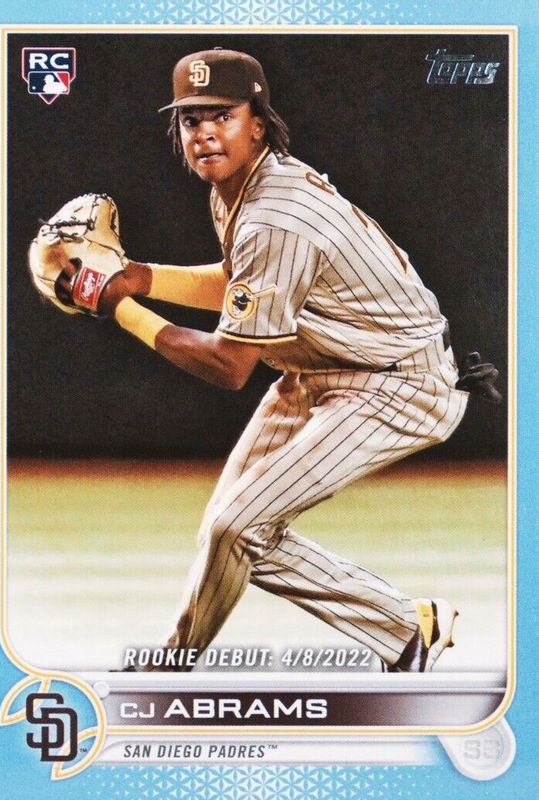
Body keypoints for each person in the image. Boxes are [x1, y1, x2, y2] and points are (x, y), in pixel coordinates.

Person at [57, 48, 496, 672]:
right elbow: (248, 286)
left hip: (398, 386)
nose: (205, 132)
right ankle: (176, 666)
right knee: (226, 527)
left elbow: (229, 364)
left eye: (223, 115)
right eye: (190, 119)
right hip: (323, 368)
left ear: (258, 124)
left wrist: (119, 308)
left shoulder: (275, 214)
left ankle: (407, 625)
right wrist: (139, 277)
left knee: (240, 527)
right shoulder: (239, 188)